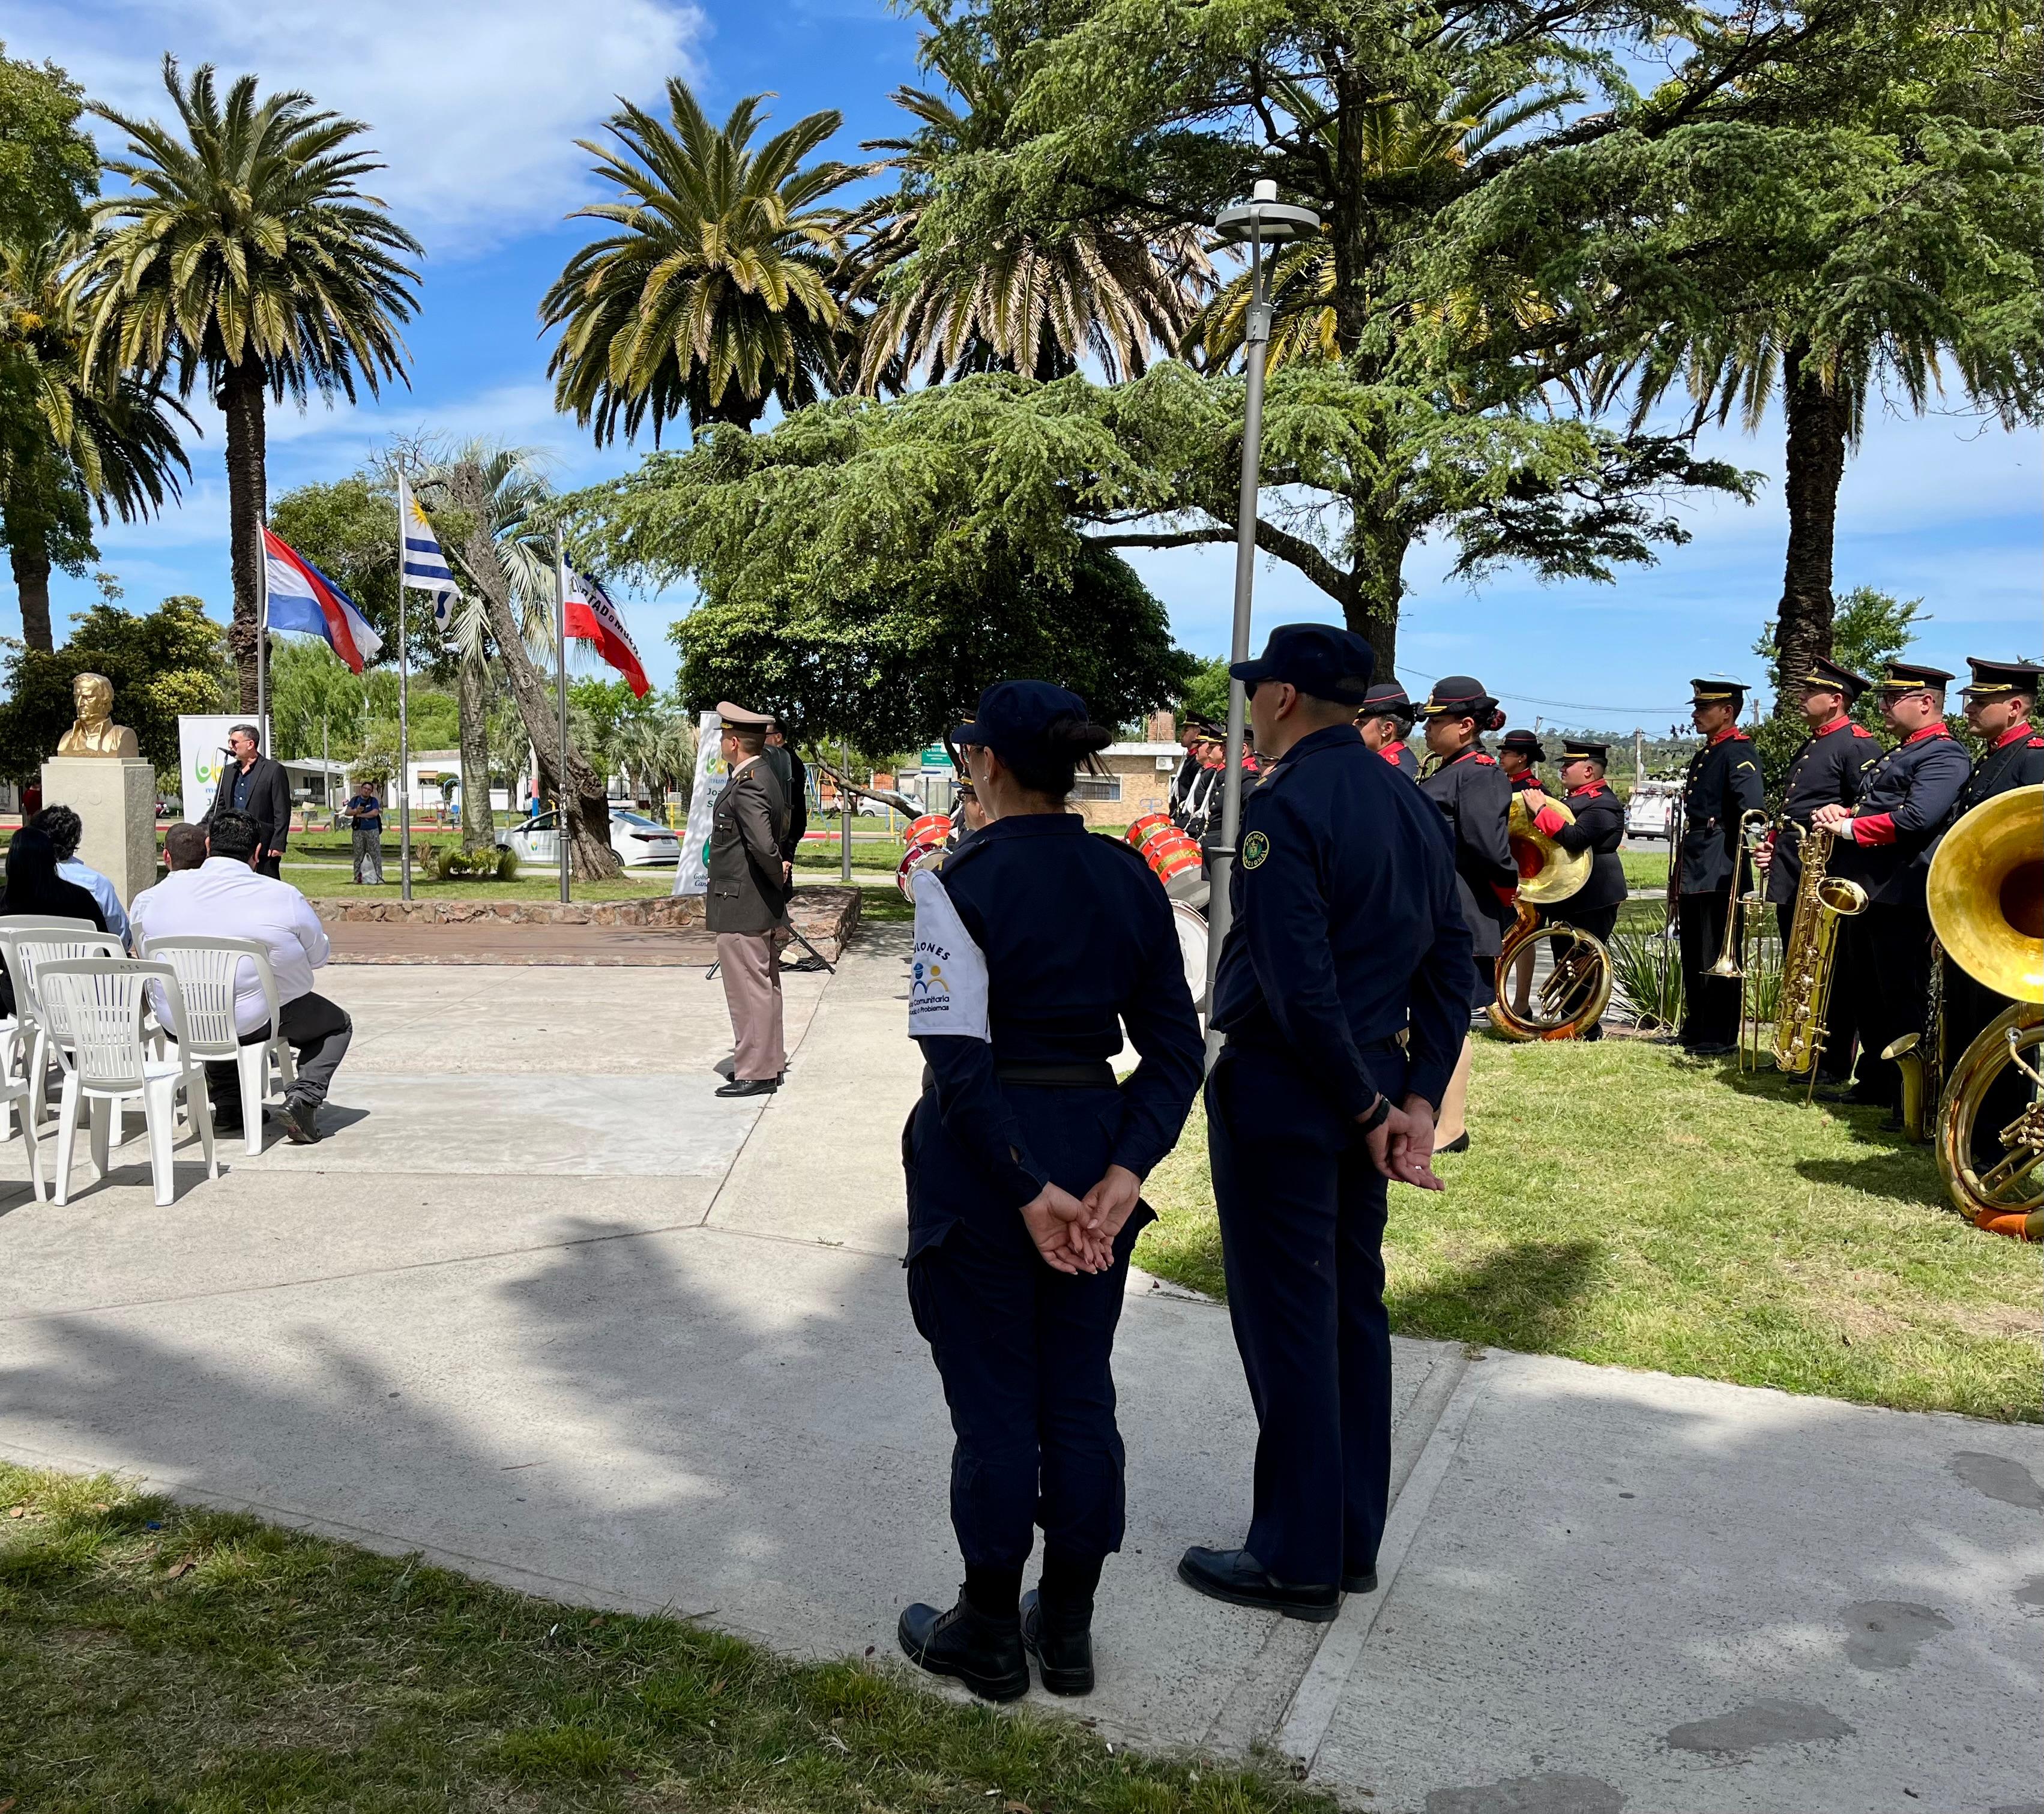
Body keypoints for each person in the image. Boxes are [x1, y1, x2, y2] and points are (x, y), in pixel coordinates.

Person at [898, 681, 1202, 1701]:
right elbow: (1175, 1051)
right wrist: (1124, 1171)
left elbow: (956, 1058)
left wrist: (1027, 1188)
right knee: (1076, 1392)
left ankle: (989, 1629)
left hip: (986, 1160)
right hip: (1090, 1140)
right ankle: (1066, 1628)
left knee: (995, 1403)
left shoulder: (958, 882)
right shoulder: (1129, 876)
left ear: (985, 763)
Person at [1177, 624, 1464, 1624]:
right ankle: (1346, 1538)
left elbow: (1297, 984)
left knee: (1291, 1318)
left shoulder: (1286, 803)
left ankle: (1295, 1558)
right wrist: (1413, 1097)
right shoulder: (1407, 798)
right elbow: (1451, 963)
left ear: (1286, 697)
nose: (1251, 706)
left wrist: (1368, 1104)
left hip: (1293, 1090)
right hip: (1368, 1081)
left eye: (1258, 689)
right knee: (1349, 1311)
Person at [127, 813, 351, 1144]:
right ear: (257, 852)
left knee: (213, 1000)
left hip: (178, 1022)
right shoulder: (281, 896)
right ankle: (303, 1099)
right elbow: (317, 958)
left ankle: (230, 1106)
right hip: (249, 1022)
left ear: (208, 845)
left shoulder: (155, 898)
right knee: (336, 1025)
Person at [1814, 663, 1971, 1116]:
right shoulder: (1904, 750)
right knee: (1868, 994)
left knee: (1902, 998)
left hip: (1901, 893)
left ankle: (1911, 1097)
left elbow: (1917, 818)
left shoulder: (1944, 755)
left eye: (1892, 698)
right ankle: (1876, 1082)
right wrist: (1844, 812)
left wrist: (1849, 828)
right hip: (1870, 892)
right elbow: (1877, 805)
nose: (1882, 706)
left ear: (1926, 702)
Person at [1750, 657, 1878, 1080]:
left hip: (1827, 871)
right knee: (1798, 964)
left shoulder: (1856, 744)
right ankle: (1797, 1052)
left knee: (1829, 970)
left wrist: (1844, 814)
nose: (1801, 698)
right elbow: (1796, 808)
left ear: (1836, 700)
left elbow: (1868, 805)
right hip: (1796, 868)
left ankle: (1831, 1061)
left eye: (1810, 692)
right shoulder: (1814, 742)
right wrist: (1773, 846)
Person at [1938, 657, 2044, 1165]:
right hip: (1979, 920)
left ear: (2016, 706)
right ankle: (1968, 1135)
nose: (1970, 709)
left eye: (1981, 702)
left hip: (2020, 923)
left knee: (2007, 1037)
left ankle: (2006, 1142)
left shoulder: (2034, 757)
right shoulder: (1992, 757)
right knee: (1968, 1026)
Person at [1416, 676, 1514, 1151]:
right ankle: (1432, 1113)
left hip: (1461, 912)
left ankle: (1451, 1127)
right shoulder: (1449, 769)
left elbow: (1487, 848)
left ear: (1466, 726)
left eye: (1436, 721)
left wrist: (1509, 891)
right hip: (1434, 909)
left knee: (1450, 1018)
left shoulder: (1479, 773)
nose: (1427, 729)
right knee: (1430, 1015)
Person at [1674, 676, 1765, 1055]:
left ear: (1727, 712)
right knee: (1694, 947)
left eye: (1703, 708)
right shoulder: (1707, 753)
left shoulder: (1738, 751)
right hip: (1698, 855)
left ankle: (1720, 1032)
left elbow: (1751, 809)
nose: (1695, 715)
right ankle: (1697, 1026)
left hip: (1721, 859)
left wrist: (1754, 849)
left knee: (1718, 948)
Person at [707, 702, 791, 1098]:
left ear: (735, 743)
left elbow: (761, 845)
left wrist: (776, 875)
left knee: (748, 989)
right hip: (753, 900)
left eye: (725, 736)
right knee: (763, 986)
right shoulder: (762, 776)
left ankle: (757, 1071)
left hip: (743, 901)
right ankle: (768, 1063)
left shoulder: (749, 783)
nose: (722, 742)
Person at [0, 827, 108, 1016]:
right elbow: (105, 951)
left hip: (20, 999)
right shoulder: (81, 899)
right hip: (80, 997)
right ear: (52, 860)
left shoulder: (3, 901)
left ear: (11, 862)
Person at [29, 804, 132, 950]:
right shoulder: (96, 884)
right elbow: (122, 939)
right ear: (75, 840)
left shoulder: (22, 884)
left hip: (33, 962)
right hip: (90, 963)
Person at [200, 723, 292, 879]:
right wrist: (202, 828)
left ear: (250, 744)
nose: (230, 746)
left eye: (234, 742)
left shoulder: (273, 770)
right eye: (229, 742)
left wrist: (278, 842)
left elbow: (282, 811)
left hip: (263, 844)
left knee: (267, 885)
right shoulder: (228, 772)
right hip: (231, 843)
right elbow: (218, 806)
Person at [764, 719, 810, 888]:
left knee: (783, 866)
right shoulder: (777, 758)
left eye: (765, 735)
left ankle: (784, 897)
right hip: (783, 822)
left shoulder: (788, 760)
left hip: (788, 824)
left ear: (778, 737)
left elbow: (788, 795)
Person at [1356, 682, 1419, 777]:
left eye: (1362, 723)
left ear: (1387, 729)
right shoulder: (1382, 763)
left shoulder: (1393, 770)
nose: (1355, 727)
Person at [341, 781, 385, 885]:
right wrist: (356, 811)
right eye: (365, 788)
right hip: (358, 831)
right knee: (358, 855)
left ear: (371, 792)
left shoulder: (374, 801)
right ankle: (357, 877)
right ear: (361, 789)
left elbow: (375, 813)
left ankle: (379, 878)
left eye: (369, 790)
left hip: (372, 830)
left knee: (376, 854)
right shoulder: (355, 800)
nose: (367, 791)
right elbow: (347, 812)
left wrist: (361, 815)